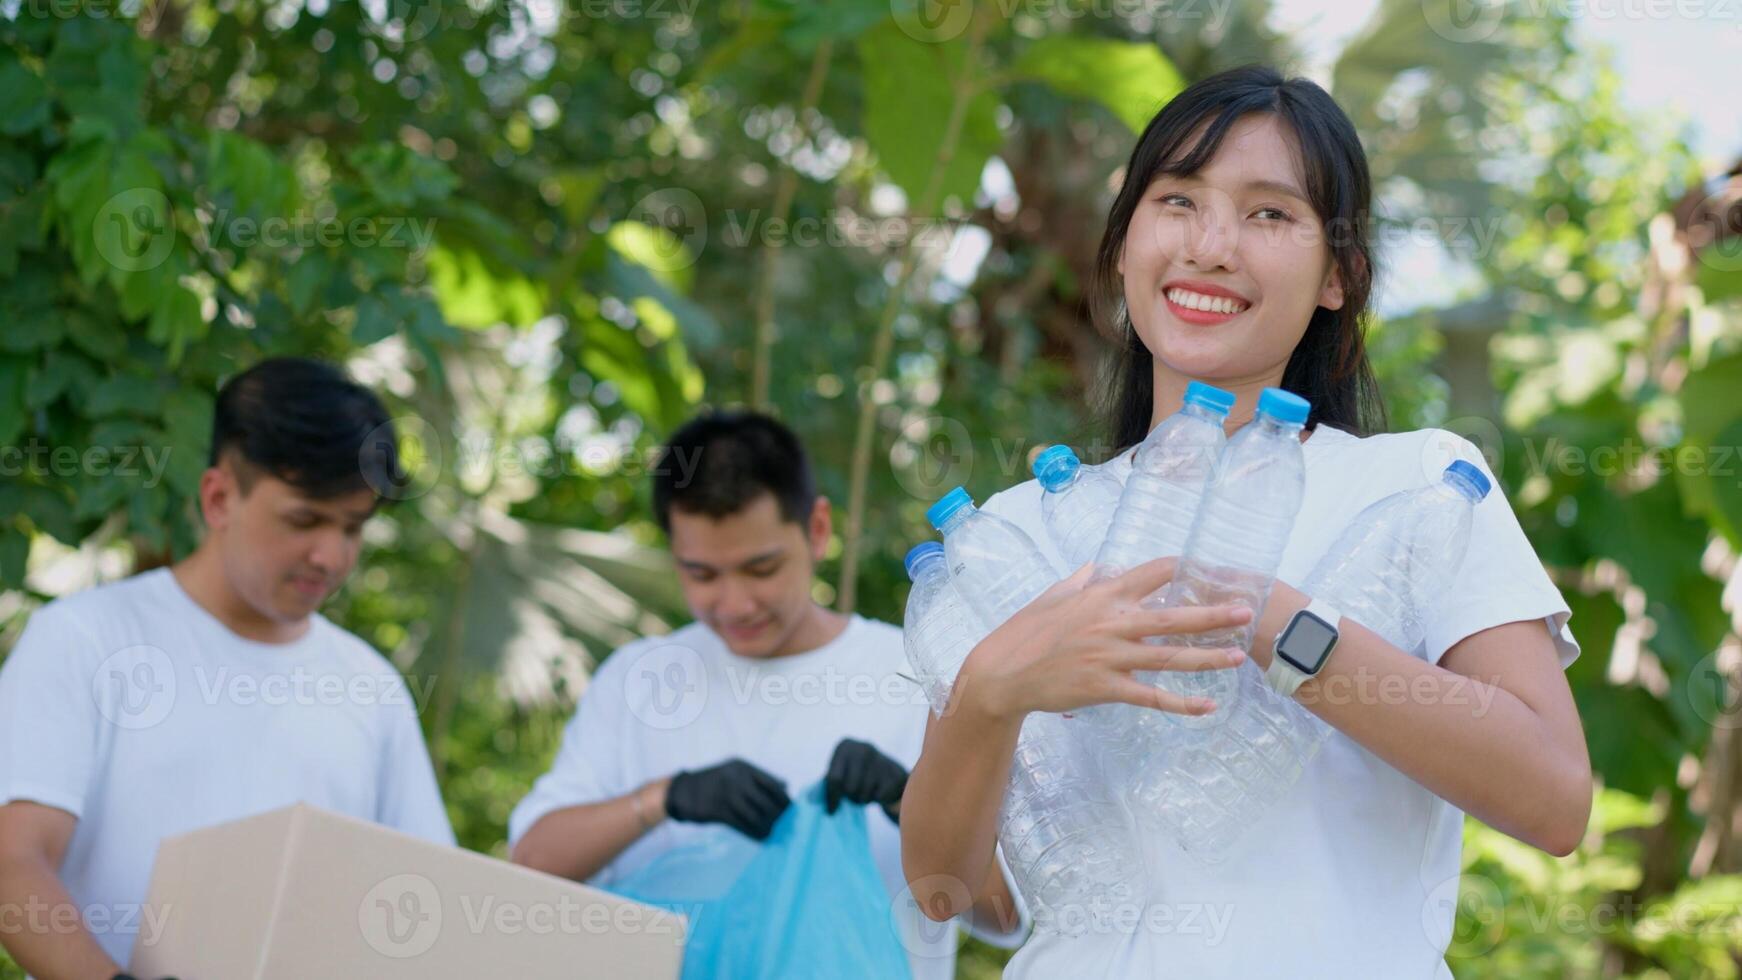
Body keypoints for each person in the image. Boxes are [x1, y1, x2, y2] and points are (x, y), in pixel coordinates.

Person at [901, 66, 1591, 977]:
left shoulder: (1419, 485)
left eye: (1270, 214)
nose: (1212, 246)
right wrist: (993, 688)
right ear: (1123, 244)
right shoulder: (1015, 532)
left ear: (1338, 276)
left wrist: (1275, 624)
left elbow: (1553, 801)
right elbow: (945, 889)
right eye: (1178, 200)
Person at [510, 410, 1027, 979]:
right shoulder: (639, 680)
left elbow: (1004, 915)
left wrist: (911, 801)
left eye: (761, 569)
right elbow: (532, 863)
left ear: (818, 529)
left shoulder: (920, 675)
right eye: (702, 575)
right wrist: (663, 799)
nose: (734, 604)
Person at [0, 357, 454, 979]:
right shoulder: (88, 639)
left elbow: (427, 904)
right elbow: (13, 863)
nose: (330, 554)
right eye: (304, 519)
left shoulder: (370, 686)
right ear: (219, 498)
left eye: (353, 527)